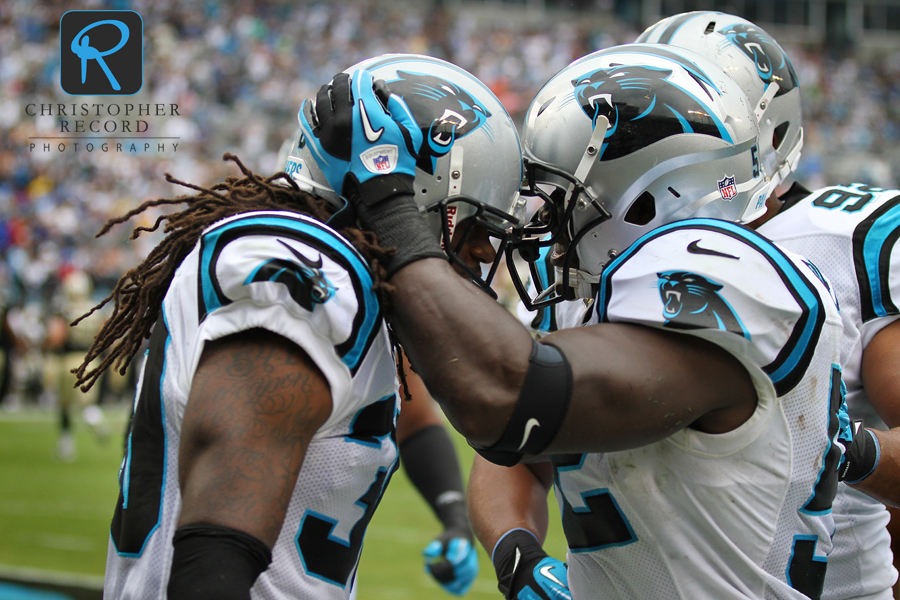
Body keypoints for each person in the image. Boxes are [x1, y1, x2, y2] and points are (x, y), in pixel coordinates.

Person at [301, 45, 873, 599]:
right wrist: (519, 557)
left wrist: (388, 199)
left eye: (562, 197)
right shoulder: (597, 298)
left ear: (648, 195)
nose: (546, 220)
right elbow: (512, 457)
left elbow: (509, 402)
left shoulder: (740, 283)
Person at [72, 53, 523, 600]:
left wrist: (452, 516)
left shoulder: (354, 291)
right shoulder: (303, 273)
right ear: (412, 192)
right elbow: (215, 554)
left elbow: (416, 415)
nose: (482, 249)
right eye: (475, 223)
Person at [637, 12, 900, 600]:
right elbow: (522, 439)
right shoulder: (612, 249)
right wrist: (518, 552)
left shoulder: (843, 241)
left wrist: (836, 444)